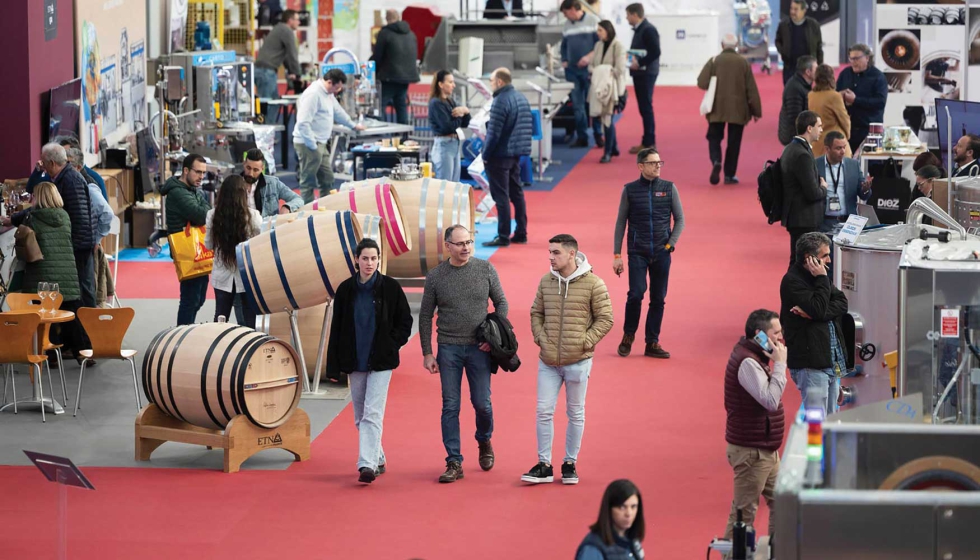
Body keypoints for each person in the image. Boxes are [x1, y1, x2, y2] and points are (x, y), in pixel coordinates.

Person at [420, 225, 509, 483]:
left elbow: (501, 302)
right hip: (448, 348)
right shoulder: (436, 276)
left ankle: (484, 440)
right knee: (450, 406)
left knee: (483, 403)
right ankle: (454, 461)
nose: (466, 247)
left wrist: (493, 335)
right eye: (459, 243)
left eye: (469, 242)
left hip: (480, 348)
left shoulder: (485, 269)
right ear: (447, 246)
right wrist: (427, 353)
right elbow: (425, 315)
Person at [522, 234, 613, 486]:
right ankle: (544, 464)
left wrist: (585, 342)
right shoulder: (545, 281)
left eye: (556, 253)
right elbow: (536, 312)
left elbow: (606, 318)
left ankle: (569, 463)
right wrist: (540, 337)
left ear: (572, 254)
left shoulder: (594, 283)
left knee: (575, 413)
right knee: (543, 411)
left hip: (578, 361)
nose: (551, 257)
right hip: (548, 360)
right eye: (549, 252)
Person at [327, 238, 413, 484]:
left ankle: (367, 464)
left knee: (372, 413)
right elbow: (337, 329)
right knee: (359, 416)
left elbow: (405, 321)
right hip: (356, 361)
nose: (369, 263)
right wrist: (334, 365)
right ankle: (379, 457)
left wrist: (391, 344)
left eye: (374, 258)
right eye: (365, 258)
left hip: (381, 362)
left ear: (379, 259)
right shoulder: (345, 290)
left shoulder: (390, 287)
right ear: (356, 259)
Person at [612, 148, 685, 359]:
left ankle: (652, 342)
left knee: (658, 298)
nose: (657, 166)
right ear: (641, 166)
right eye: (653, 163)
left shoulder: (670, 188)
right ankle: (628, 336)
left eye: (660, 162)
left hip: (662, 252)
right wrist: (617, 255)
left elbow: (680, 219)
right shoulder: (630, 190)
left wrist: (670, 245)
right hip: (637, 252)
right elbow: (620, 223)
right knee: (636, 293)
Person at [722, 309, 787, 544]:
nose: (781, 338)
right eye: (776, 333)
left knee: (784, 505)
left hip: (765, 448)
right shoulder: (748, 362)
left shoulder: (755, 356)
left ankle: (777, 551)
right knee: (743, 516)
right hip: (752, 452)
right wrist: (780, 365)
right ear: (759, 335)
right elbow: (770, 401)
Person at [780, 232, 849, 416]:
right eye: (825, 255)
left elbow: (842, 302)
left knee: (832, 422)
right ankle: (815, 448)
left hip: (831, 362)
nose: (829, 260)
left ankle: (828, 447)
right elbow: (818, 308)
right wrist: (821, 280)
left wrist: (814, 314)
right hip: (811, 365)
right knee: (816, 427)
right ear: (809, 258)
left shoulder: (819, 278)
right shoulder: (792, 282)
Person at [18, 183, 83, 355]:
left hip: (41, 272)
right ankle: (81, 351)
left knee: (44, 313)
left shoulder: (32, 218)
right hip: (67, 272)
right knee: (70, 313)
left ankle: (51, 354)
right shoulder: (65, 216)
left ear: (37, 197)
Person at [697, 33, 762, 185]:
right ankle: (729, 175)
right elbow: (751, 89)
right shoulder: (743, 63)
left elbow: (701, 82)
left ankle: (716, 161)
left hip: (716, 108)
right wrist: (756, 112)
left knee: (714, 137)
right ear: (736, 45)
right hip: (738, 110)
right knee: (734, 142)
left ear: (722, 45)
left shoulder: (714, 61)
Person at [293, 68, 366, 203]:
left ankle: (325, 208)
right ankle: (305, 212)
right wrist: (313, 146)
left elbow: (338, 112)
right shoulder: (314, 94)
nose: (338, 91)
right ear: (330, 82)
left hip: (320, 143)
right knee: (308, 181)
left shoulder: (328, 93)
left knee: (327, 179)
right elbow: (303, 123)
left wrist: (353, 125)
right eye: (337, 88)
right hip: (308, 143)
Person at [39, 143, 97, 310]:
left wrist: (71, 247)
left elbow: (81, 219)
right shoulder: (65, 177)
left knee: (83, 292)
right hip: (79, 245)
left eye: (43, 163)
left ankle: (88, 333)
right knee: (80, 291)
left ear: (51, 163)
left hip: (79, 247)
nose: (42, 166)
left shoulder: (70, 180)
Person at [481, 68, 533, 248]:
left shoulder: (500, 100)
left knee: (501, 196)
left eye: (491, 80)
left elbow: (493, 134)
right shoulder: (521, 98)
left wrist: (485, 155)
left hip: (499, 155)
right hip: (516, 154)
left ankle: (503, 235)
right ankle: (521, 232)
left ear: (500, 82)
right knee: (517, 194)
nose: (490, 84)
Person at [205, 175, 262, 328]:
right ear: (243, 194)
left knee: (220, 319)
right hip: (246, 276)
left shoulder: (212, 215)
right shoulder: (254, 217)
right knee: (249, 321)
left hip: (222, 275)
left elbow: (208, 245)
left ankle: (218, 349)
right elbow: (259, 247)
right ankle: (249, 350)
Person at [161, 153, 212, 326]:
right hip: (187, 252)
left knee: (198, 299)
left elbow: (206, 209)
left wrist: (203, 207)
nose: (201, 177)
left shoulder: (192, 190)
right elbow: (202, 214)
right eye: (198, 172)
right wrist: (203, 207)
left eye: (203, 173)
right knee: (190, 300)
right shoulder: (177, 193)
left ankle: (185, 332)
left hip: (197, 251)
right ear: (185, 170)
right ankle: (182, 336)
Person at [780, 111, 825, 268]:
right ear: (809, 128)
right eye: (819, 126)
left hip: (797, 217)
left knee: (798, 261)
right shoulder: (802, 155)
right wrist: (824, 189)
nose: (821, 130)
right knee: (803, 264)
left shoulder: (790, 149)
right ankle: (794, 291)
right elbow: (812, 193)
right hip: (804, 219)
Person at [560, 0, 602, 148]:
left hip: (589, 71)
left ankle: (598, 135)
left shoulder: (593, 21)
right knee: (577, 106)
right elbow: (563, 46)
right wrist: (564, 60)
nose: (565, 16)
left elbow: (599, 44)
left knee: (594, 104)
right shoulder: (566, 26)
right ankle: (582, 137)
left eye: (566, 13)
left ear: (573, 9)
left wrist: (589, 57)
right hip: (572, 71)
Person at [575, 479, 646, 560]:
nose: (629, 513)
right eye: (622, 507)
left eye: (633, 507)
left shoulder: (632, 540)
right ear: (609, 509)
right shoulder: (592, 549)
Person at [815, 131, 871, 233]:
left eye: (844, 147)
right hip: (824, 223)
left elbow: (863, 195)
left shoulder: (853, 165)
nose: (843, 151)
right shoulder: (816, 165)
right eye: (838, 148)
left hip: (848, 223)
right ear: (827, 149)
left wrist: (865, 189)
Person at [372, 9, 420, 125]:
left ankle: (380, 137)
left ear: (387, 19)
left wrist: (372, 73)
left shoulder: (384, 33)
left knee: (380, 107)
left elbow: (377, 57)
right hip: (406, 78)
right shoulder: (411, 34)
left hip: (388, 78)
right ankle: (403, 138)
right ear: (399, 17)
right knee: (401, 106)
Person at [837, 43, 887, 154]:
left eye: (856, 58)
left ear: (867, 58)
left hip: (869, 132)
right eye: (851, 58)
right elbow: (835, 95)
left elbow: (880, 102)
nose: (853, 62)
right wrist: (839, 97)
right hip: (847, 131)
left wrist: (855, 100)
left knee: (870, 167)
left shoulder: (878, 77)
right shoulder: (845, 74)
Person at [588, 20, 627, 164]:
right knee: (603, 117)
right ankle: (614, 147)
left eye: (600, 30)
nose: (597, 33)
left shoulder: (619, 46)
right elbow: (591, 65)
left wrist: (604, 72)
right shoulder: (598, 45)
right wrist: (598, 72)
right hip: (598, 87)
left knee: (608, 118)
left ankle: (608, 152)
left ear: (608, 31)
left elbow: (620, 69)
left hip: (613, 89)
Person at [254, 9, 301, 123]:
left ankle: (268, 133)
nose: (299, 22)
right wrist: (298, 75)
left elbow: (285, 56)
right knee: (268, 104)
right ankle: (265, 135)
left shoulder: (278, 29)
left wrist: (291, 72)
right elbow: (292, 54)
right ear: (290, 20)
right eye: (297, 19)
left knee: (273, 102)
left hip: (261, 70)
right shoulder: (286, 31)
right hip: (266, 72)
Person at [625, 3, 661, 154]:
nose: (626, 18)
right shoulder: (642, 29)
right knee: (644, 107)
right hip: (641, 73)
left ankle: (649, 142)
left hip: (645, 73)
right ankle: (647, 141)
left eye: (627, 15)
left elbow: (655, 52)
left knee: (646, 108)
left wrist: (639, 62)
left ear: (635, 14)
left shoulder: (648, 29)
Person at [427, 71, 471, 181]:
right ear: (441, 84)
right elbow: (448, 126)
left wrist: (465, 111)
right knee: (444, 184)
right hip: (444, 146)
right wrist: (461, 113)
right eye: (450, 82)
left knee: (454, 184)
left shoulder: (450, 101)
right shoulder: (436, 103)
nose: (453, 85)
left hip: (454, 145)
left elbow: (465, 123)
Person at [241, 148, 303, 216]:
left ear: (262, 168)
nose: (251, 173)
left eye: (255, 170)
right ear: (244, 164)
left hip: (266, 225)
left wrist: (287, 207)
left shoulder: (273, 183)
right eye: (248, 168)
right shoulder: (232, 184)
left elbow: (298, 199)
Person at [774, 0, 823, 85]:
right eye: (791, 8)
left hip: (808, 68)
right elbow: (778, 41)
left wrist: (819, 66)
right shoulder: (783, 25)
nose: (792, 12)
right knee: (789, 92)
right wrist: (783, 52)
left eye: (796, 9)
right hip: (790, 66)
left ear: (804, 10)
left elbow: (819, 47)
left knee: (806, 94)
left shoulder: (813, 25)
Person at [808, 65, 851, 158]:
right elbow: (844, 120)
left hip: (817, 144)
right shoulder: (834, 96)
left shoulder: (811, 96)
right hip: (835, 142)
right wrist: (847, 136)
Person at [777, 55, 815, 146]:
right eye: (816, 69)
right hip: (793, 139)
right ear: (808, 72)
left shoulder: (802, 84)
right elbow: (795, 119)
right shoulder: (795, 88)